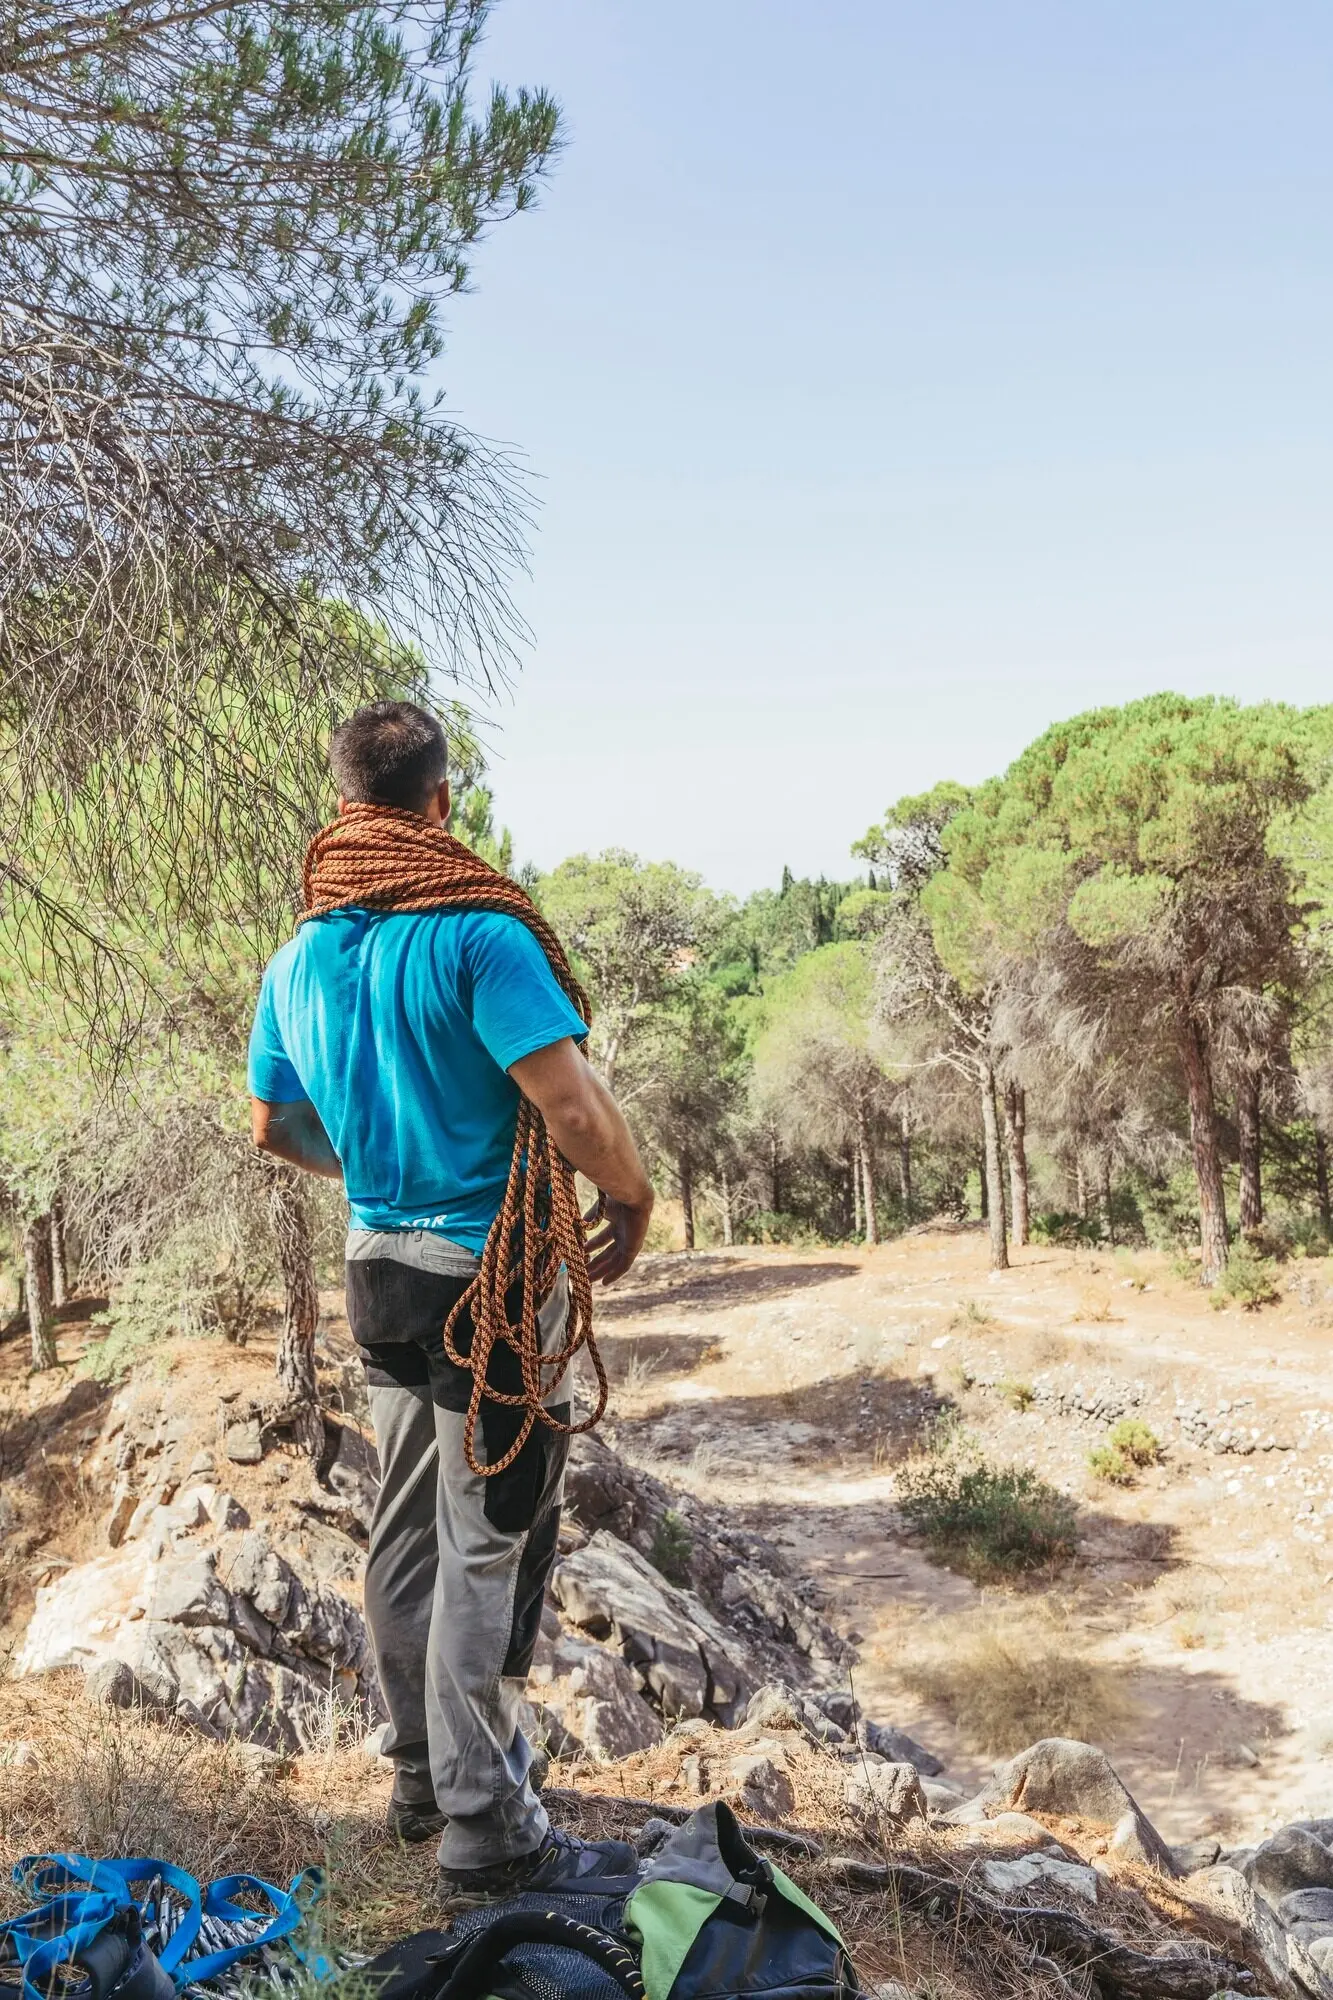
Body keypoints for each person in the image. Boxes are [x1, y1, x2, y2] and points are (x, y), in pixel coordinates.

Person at [246, 700, 655, 1900]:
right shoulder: (482, 932)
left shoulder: (296, 958)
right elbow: (570, 1107)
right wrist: (631, 1193)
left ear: (341, 804)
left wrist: (380, 1172)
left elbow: (273, 1125)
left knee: (408, 1528)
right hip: (491, 1279)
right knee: (493, 1539)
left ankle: (421, 1778)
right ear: (440, 802)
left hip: (377, 1271)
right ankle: (488, 1826)